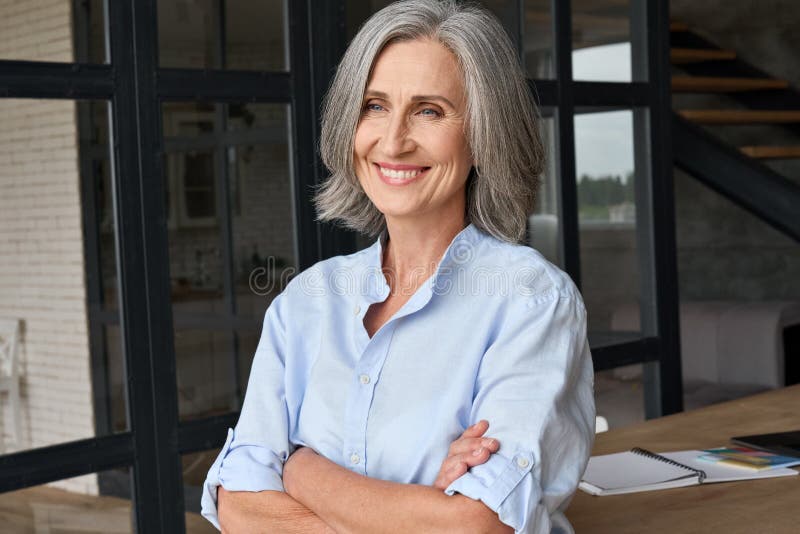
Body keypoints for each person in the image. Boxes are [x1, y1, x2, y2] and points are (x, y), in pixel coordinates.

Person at [200, 0, 595, 532]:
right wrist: (418, 510)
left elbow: (476, 526)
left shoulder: (532, 300)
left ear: (483, 134)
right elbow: (238, 507)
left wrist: (301, 469)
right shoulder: (304, 302)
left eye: (429, 110)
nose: (393, 141)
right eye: (374, 106)